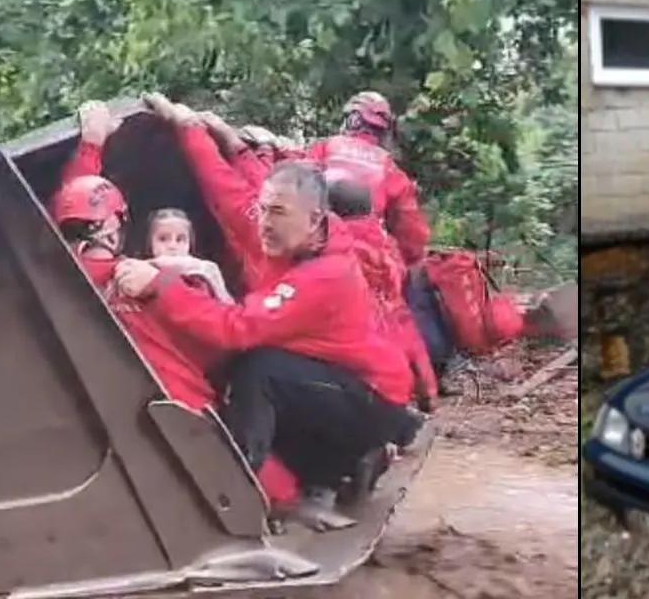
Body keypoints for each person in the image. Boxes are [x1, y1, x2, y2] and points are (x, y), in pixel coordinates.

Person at [125, 93, 421, 512]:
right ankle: (343, 467)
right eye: (264, 210)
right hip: (338, 376)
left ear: (316, 219)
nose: (264, 223)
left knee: (258, 371)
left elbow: (236, 328)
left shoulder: (326, 274)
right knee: (259, 374)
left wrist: (160, 287)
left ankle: (240, 493)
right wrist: (197, 131)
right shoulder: (290, 229)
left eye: (276, 213)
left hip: (373, 397)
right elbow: (231, 197)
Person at [53, 100, 302, 513]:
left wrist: (91, 145)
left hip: (107, 418)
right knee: (278, 482)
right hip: (188, 412)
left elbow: (74, 207)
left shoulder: (60, 275)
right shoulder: (158, 283)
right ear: (123, 226)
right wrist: (211, 280)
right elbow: (228, 339)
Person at [326, 175, 438, 412]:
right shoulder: (387, 248)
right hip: (394, 359)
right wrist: (428, 391)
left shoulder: (336, 250)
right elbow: (412, 343)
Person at [303, 91, 430, 265]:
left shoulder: (324, 148)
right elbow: (412, 232)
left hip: (313, 246)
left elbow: (294, 186)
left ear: (351, 120)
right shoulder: (389, 167)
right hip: (366, 256)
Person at [144, 208, 234, 303]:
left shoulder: (206, 274)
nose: (172, 246)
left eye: (180, 239)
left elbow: (226, 307)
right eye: (163, 239)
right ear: (150, 243)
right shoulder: (140, 277)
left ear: (190, 243)